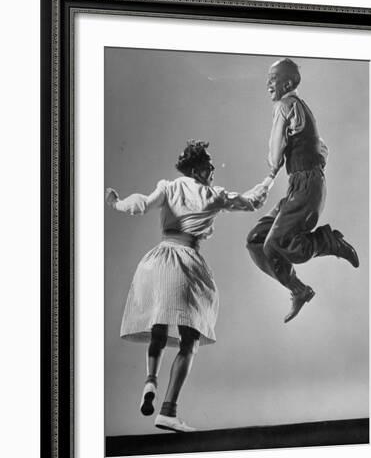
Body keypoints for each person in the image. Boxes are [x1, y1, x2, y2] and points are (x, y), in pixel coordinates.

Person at [106, 140, 270, 432]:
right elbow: (251, 202)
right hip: (187, 263)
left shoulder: (169, 187)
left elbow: (142, 203)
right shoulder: (212, 195)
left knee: (159, 321)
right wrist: (270, 179)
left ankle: (150, 380)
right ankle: (168, 411)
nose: (213, 170)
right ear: (197, 169)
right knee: (189, 338)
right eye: (209, 165)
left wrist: (117, 203)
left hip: (156, 261)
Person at [246, 58, 359, 323]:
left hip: (307, 187)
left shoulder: (285, 105)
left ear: (287, 82)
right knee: (256, 241)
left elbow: (275, 156)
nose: (267, 84)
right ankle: (299, 291)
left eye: (272, 79)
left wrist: (272, 176)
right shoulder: (301, 108)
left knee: (276, 243)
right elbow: (322, 147)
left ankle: (328, 241)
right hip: (302, 185)